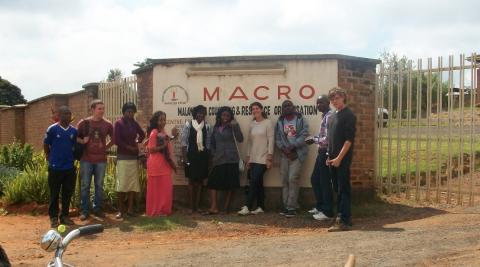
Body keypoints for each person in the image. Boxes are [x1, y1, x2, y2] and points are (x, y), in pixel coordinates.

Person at [76, 99, 114, 220]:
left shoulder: (107, 124)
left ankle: (98, 209)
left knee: (99, 185)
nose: (102, 111)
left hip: (101, 160)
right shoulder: (84, 123)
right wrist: (83, 141)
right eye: (99, 108)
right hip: (86, 159)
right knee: (85, 185)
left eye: (103, 108)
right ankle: (85, 211)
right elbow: (74, 137)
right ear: (92, 110)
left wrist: (105, 147)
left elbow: (114, 139)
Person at [326, 87, 356, 232]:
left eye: (337, 98)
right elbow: (331, 139)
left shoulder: (348, 115)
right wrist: (329, 156)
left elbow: (349, 140)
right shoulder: (332, 115)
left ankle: (343, 220)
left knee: (343, 188)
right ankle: (345, 216)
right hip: (332, 158)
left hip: (342, 159)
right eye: (332, 99)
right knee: (337, 188)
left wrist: (338, 158)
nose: (334, 101)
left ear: (343, 97)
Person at [204, 106, 244, 215]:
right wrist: (213, 154)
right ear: (219, 116)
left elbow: (240, 139)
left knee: (231, 185)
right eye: (223, 115)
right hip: (219, 159)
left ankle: (225, 209)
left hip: (232, 159)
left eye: (227, 115)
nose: (225, 117)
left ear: (231, 116)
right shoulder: (215, 128)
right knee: (212, 183)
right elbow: (212, 143)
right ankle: (214, 207)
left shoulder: (233, 126)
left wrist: (235, 126)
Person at [238, 102, 274, 215]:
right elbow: (249, 142)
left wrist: (269, 157)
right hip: (253, 158)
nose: (255, 110)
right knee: (258, 183)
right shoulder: (252, 124)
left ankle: (247, 206)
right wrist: (248, 158)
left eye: (257, 108)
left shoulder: (268, 123)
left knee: (253, 182)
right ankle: (260, 206)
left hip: (263, 158)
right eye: (253, 109)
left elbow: (271, 141)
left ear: (262, 109)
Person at [44, 106, 77, 227]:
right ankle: (53, 218)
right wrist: (48, 156)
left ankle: (65, 216)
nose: (67, 116)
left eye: (69, 114)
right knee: (54, 193)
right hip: (55, 168)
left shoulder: (74, 131)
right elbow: (46, 144)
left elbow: (74, 146)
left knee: (67, 193)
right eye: (65, 114)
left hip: (69, 168)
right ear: (59, 115)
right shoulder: (52, 129)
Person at [275, 100, 309, 217]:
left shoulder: (300, 119)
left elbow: (304, 134)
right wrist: (284, 149)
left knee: (293, 179)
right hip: (285, 154)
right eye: (285, 106)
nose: (287, 108)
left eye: (289, 106)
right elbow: (278, 138)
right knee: (285, 180)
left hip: (297, 154)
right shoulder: (280, 121)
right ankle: (286, 206)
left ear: (293, 107)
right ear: (282, 109)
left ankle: (292, 208)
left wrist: (293, 147)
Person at [113, 102, 145, 220]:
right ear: (124, 112)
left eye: (132, 112)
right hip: (122, 157)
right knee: (122, 184)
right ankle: (121, 211)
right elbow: (116, 140)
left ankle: (130, 209)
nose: (130, 114)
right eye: (128, 112)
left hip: (133, 158)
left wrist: (137, 142)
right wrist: (129, 147)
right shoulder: (118, 123)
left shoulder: (134, 123)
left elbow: (142, 134)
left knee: (132, 184)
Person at [306, 95, 335, 221]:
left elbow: (328, 139)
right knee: (315, 179)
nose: (318, 105)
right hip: (321, 152)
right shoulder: (324, 116)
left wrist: (314, 139)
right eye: (317, 103)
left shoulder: (329, 116)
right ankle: (320, 206)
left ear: (328, 103)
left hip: (326, 152)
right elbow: (323, 134)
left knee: (324, 182)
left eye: (321, 102)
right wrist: (315, 137)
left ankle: (327, 211)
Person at [180, 105, 211, 213]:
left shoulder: (207, 126)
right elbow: (183, 142)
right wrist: (185, 158)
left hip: (202, 157)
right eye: (199, 112)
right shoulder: (188, 125)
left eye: (203, 113)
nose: (201, 115)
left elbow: (208, 143)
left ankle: (197, 206)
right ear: (195, 113)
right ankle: (190, 207)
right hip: (191, 156)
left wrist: (208, 157)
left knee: (200, 182)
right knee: (191, 181)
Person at [146, 111, 177, 216]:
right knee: (156, 190)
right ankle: (156, 211)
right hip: (156, 164)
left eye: (164, 119)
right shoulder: (154, 132)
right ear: (156, 121)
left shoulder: (163, 131)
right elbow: (151, 149)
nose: (163, 122)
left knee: (165, 189)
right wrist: (163, 146)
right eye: (160, 120)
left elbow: (166, 140)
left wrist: (173, 136)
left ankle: (164, 210)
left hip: (164, 163)